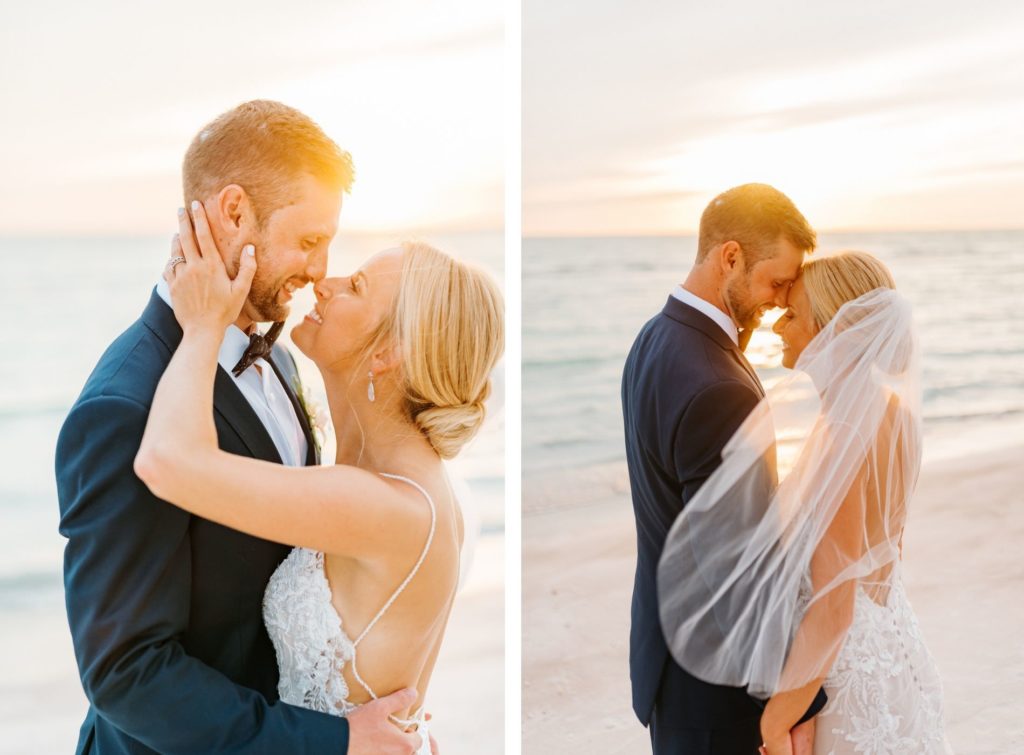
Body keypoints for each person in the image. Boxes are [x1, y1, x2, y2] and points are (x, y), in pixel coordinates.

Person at [56, 99, 428, 754]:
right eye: (309, 240)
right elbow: (126, 672)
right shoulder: (124, 408)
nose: (320, 270)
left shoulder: (280, 356)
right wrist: (330, 742)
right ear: (233, 213)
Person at [133, 200, 503, 754]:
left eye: (354, 286)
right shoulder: (401, 479)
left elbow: (165, 462)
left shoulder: (381, 504)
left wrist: (202, 324)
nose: (322, 283)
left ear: (388, 353)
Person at [658, 252, 951, 754]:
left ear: (832, 326)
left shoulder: (841, 435)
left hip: (845, 675)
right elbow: (888, 551)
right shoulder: (897, 415)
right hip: (897, 649)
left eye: (791, 315)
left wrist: (777, 720)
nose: (778, 328)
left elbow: (833, 606)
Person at [621, 183, 826, 754]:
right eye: (776, 280)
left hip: (668, 662)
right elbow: (736, 571)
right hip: (717, 688)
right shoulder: (716, 384)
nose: (781, 299)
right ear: (729, 257)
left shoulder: (655, 338)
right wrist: (796, 706)